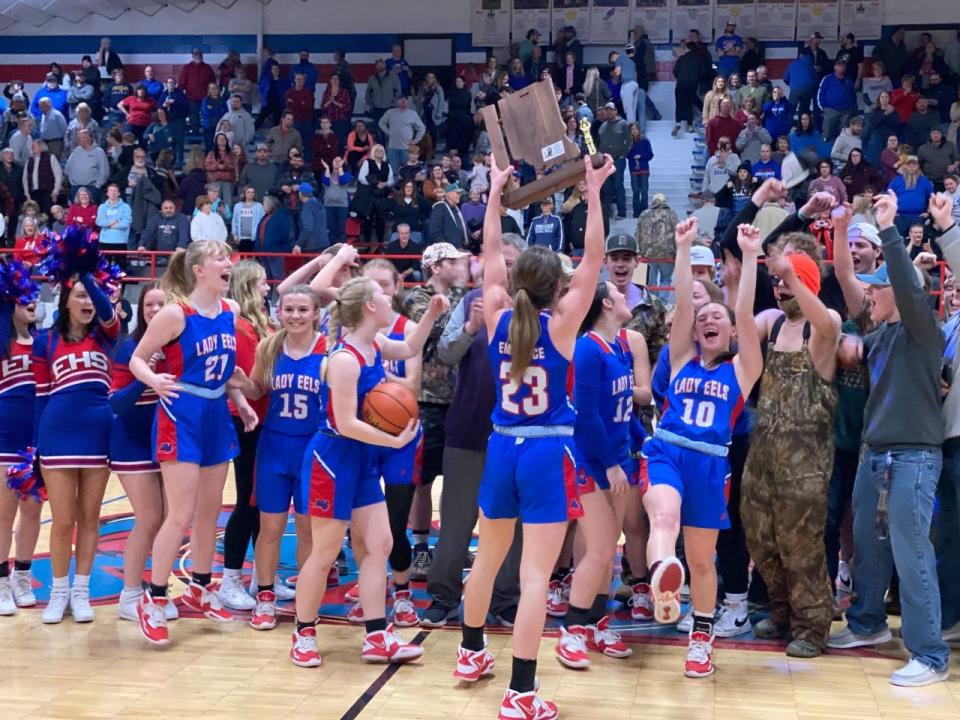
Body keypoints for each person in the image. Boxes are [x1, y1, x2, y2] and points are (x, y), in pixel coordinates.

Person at [453, 153, 612, 717]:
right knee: (536, 576)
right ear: (558, 287)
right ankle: (521, 692)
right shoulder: (564, 323)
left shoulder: (496, 313)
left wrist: (495, 191)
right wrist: (592, 192)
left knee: (487, 560)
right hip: (547, 451)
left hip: (502, 446)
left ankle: (470, 651)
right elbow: (595, 255)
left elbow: (490, 253)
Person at [289, 277, 448, 667]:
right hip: (333, 458)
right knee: (324, 552)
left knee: (379, 545)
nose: (389, 298)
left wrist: (432, 313)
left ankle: (377, 635)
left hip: (360, 458)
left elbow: (411, 347)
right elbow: (344, 422)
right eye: (383, 295)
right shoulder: (345, 359)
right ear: (369, 308)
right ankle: (303, 632)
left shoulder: (374, 345)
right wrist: (391, 441)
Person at [828, 192, 951, 687]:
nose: (870, 295)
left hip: (914, 457)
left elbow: (903, 281)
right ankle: (868, 625)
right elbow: (845, 286)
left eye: (878, 290)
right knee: (870, 548)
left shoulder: (924, 329)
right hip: (875, 456)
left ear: (899, 294)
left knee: (911, 550)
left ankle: (929, 655)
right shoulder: (880, 338)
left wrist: (888, 229)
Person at [640, 217, 762, 680]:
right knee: (664, 518)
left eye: (719, 318)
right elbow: (683, 303)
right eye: (704, 318)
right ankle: (663, 577)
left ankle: (701, 638)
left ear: (731, 334)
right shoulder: (680, 357)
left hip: (712, 463)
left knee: (703, 561)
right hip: (667, 451)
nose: (710, 319)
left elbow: (745, 314)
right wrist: (684, 247)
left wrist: (750, 257)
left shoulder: (742, 370)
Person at [130, 240, 258, 644]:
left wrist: (240, 399)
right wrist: (152, 379)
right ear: (200, 269)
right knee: (180, 513)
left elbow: (225, 369)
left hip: (216, 412)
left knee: (208, 512)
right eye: (220, 258)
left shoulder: (230, 312)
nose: (228, 263)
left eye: (228, 258)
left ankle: (202, 587)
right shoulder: (174, 313)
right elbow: (138, 357)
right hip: (181, 412)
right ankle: (152, 598)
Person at [741, 241, 841, 658]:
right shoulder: (775, 327)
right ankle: (783, 614)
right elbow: (742, 319)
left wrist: (792, 273)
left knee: (802, 548)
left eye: (787, 283)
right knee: (763, 543)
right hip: (763, 458)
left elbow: (828, 320)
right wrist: (750, 259)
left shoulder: (823, 326)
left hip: (805, 465)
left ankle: (812, 627)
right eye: (777, 283)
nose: (780, 290)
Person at [553, 280, 651, 669]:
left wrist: (645, 442)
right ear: (607, 304)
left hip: (618, 457)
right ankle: (572, 631)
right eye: (621, 295)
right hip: (592, 462)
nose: (629, 299)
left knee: (607, 549)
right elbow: (587, 414)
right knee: (597, 549)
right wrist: (611, 463)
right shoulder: (588, 349)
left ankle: (596, 622)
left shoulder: (621, 346)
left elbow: (624, 409)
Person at [227, 284, 323, 630]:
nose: (295, 316)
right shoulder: (269, 346)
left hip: (314, 450)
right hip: (274, 447)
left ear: (315, 313)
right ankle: (265, 597)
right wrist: (240, 383)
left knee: (308, 528)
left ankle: (306, 598)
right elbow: (257, 389)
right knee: (270, 527)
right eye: (289, 309)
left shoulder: (328, 350)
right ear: (279, 311)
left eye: (302, 310)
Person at [33, 247, 120, 624]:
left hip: (99, 432)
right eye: (80, 295)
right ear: (65, 300)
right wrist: (33, 448)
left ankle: (81, 590)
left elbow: (106, 311)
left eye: (90, 294)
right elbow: (38, 398)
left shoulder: (107, 336)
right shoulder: (45, 343)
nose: (88, 301)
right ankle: (58, 592)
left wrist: (85, 275)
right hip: (58, 432)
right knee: (63, 519)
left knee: (90, 517)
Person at [110, 282, 179, 624]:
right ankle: (130, 593)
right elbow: (118, 405)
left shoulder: (180, 345)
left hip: (168, 441)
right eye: (149, 304)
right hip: (132, 442)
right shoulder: (129, 348)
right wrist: (146, 376)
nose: (154, 310)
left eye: (160, 304)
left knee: (172, 518)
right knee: (149, 518)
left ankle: (158, 590)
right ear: (141, 310)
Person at [217, 262, 275, 612]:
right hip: (246, 420)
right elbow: (250, 386)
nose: (268, 289)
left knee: (266, 502)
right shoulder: (240, 328)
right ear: (248, 287)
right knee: (248, 502)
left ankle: (261, 576)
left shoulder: (263, 323)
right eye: (262, 284)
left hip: (268, 420)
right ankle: (230, 578)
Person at [0, 260, 40, 615]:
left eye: (35, 296)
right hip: (3, 440)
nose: (32, 302)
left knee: (32, 511)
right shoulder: (2, 346)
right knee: (3, 513)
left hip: (35, 442)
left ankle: (22, 575)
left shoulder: (43, 343)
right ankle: (0, 580)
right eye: (24, 296)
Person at [636, 194, 679, 299]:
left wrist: (638, 251)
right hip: (667, 254)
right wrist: (678, 252)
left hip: (648, 254)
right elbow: (678, 234)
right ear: (665, 201)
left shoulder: (644, 214)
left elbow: (637, 234)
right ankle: (663, 303)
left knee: (651, 282)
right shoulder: (672, 214)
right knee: (666, 279)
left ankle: (653, 303)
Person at [818, 61, 857, 143]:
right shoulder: (827, 79)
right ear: (835, 67)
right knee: (826, 133)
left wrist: (852, 108)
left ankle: (841, 152)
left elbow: (853, 95)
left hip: (846, 111)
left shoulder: (848, 79)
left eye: (843, 65)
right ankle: (823, 149)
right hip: (831, 109)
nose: (842, 67)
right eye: (839, 65)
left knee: (844, 134)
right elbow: (820, 94)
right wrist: (824, 108)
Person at [627, 122, 653, 217]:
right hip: (633, 169)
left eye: (636, 129)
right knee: (636, 191)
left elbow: (650, 154)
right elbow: (626, 154)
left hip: (644, 169)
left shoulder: (645, 141)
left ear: (639, 129)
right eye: (632, 129)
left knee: (644, 191)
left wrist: (641, 156)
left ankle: (644, 212)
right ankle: (636, 213)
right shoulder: (628, 142)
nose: (634, 131)